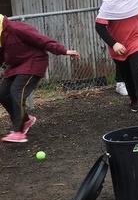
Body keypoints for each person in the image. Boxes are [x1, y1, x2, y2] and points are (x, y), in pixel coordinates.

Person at [0, 14, 80, 143]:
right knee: (3, 94)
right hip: (15, 65)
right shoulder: (1, 36)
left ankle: (19, 131)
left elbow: (41, 39)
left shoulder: (17, 28)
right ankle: (26, 120)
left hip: (33, 61)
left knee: (16, 92)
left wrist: (63, 50)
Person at [102, 0, 133, 97]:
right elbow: (106, 0)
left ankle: (132, 79)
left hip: (130, 20)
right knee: (120, 52)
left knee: (133, 50)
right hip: (116, 22)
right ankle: (120, 83)